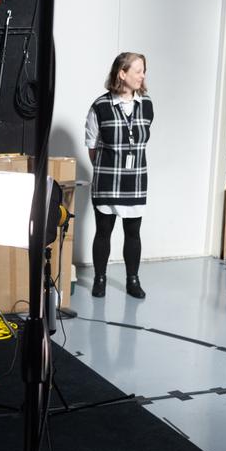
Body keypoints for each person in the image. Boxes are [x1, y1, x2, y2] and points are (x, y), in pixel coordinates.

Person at [85, 52, 153, 299]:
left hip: (135, 179)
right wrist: (108, 167)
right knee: (103, 231)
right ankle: (100, 279)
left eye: (143, 71)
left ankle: (132, 280)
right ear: (122, 74)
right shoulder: (100, 106)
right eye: (138, 71)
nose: (142, 76)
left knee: (133, 232)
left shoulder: (147, 105)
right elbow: (92, 147)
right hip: (107, 180)